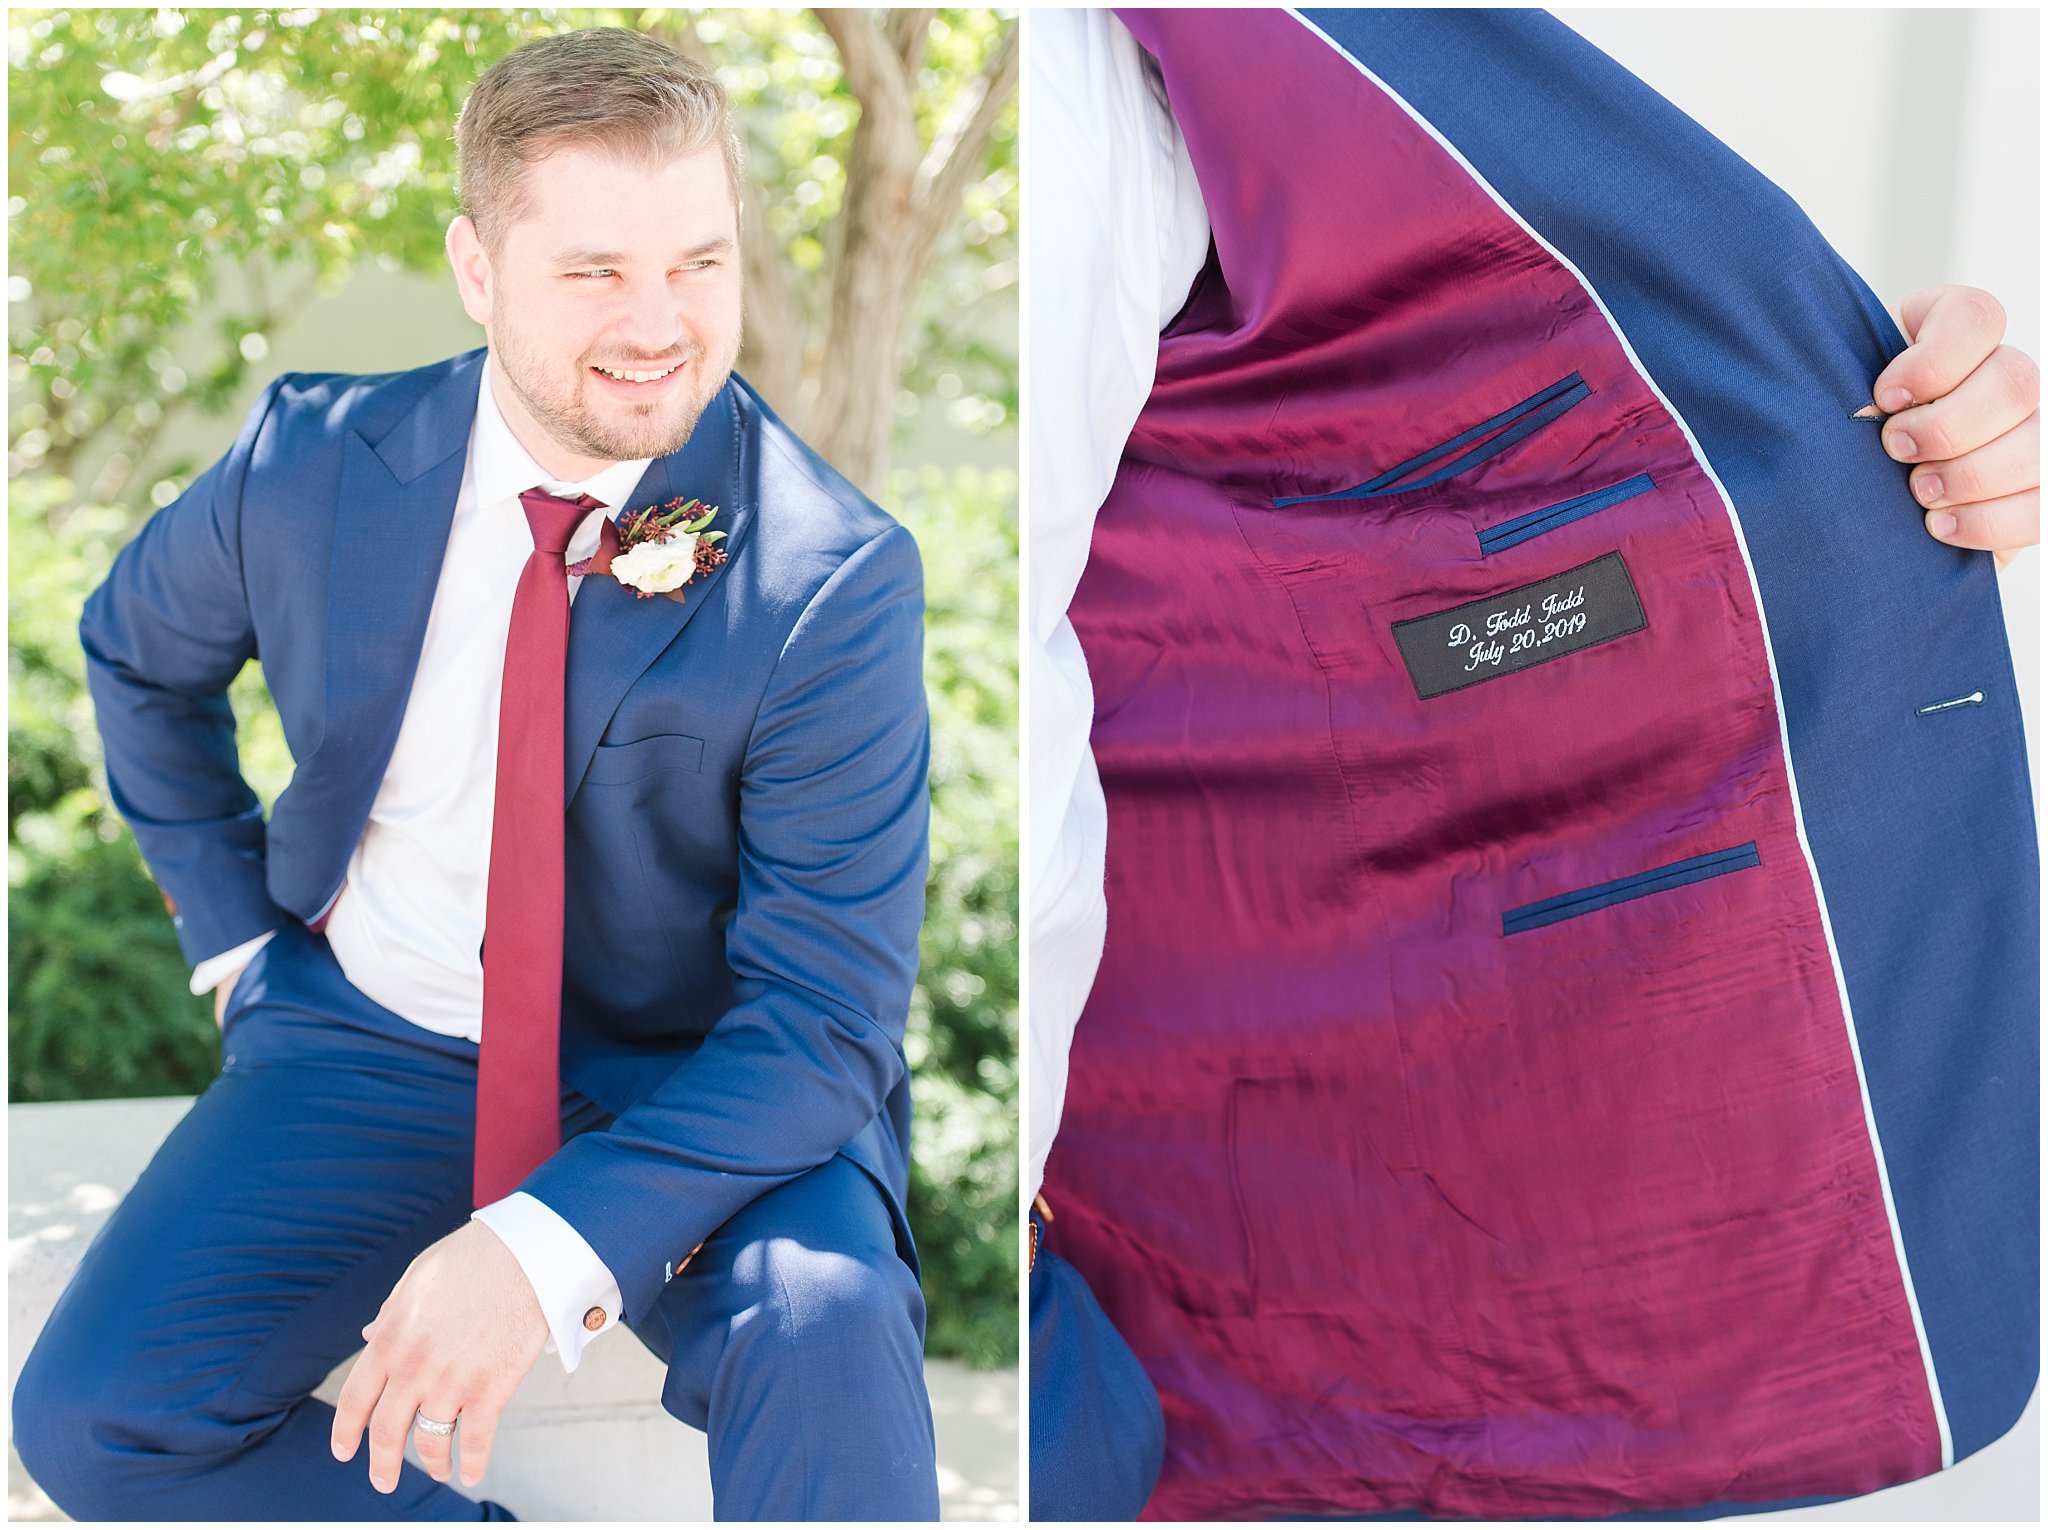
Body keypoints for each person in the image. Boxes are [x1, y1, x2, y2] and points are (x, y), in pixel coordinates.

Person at [1026, 8, 2037, 1521]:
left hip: (1509, 1111)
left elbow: (1546, 372)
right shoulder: (1067, 74)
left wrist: (1900, 417)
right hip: (1200, 1208)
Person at [11, 26, 940, 1522]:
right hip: (364, 1042)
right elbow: (134, 652)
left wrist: (533, 1251)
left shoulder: (833, 579)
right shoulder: (310, 459)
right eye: (596, 272)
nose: (660, 325)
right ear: (476, 268)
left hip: (682, 1076)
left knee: (826, 1315)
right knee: (96, 1416)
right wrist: (236, 937)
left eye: (699, 263)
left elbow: (826, 1022)